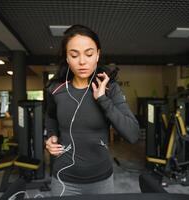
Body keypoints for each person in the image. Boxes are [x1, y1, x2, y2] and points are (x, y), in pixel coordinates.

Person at [44, 24, 139, 197]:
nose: (82, 61)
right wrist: (50, 136)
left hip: (101, 181)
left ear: (97, 55)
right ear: (66, 57)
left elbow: (132, 134)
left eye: (89, 54)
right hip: (63, 178)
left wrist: (103, 99)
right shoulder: (55, 89)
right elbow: (50, 117)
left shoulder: (110, 89)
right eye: (74, 55)